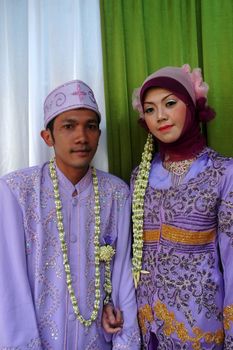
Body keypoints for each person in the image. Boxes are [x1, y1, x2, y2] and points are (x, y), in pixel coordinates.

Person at [0, 80, 140, 349]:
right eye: (69, 126)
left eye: (90, 126)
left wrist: (125, 340)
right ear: (48, 136)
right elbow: (9, 285)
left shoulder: (117, 194)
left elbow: (122, 273)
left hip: (98, 340)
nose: (81, 137)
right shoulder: (17, 192)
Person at [129, 64, 233, 349]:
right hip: (146, 329)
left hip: (202, 329)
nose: (160, 116)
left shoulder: (223, 172)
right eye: (149, 109)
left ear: (192, 105)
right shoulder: (140, 176)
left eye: (170, 104)